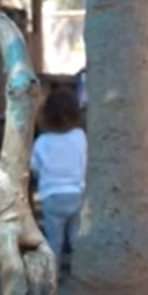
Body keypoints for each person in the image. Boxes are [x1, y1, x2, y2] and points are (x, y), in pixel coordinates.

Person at [31, 87, 87, 281]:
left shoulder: (42, 142)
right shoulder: (80, 137)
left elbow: (35, 168)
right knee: (77, 239)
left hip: (52, 196)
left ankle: (52, 277)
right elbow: (86, 162)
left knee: (54, 240)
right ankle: (81, 273)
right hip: (77, 193)